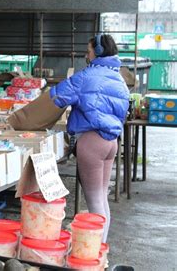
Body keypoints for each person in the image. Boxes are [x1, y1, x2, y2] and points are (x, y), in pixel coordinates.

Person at [50, 34, 129, 242]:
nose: (87, 55)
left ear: (98, 52)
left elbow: (57, 96)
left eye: (89, 51)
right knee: (102, 198)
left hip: (91, 143)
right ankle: (102, 249)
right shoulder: (118, 78)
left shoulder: (87, 76)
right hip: (111, 142)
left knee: (94, 203)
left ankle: (95, 254)